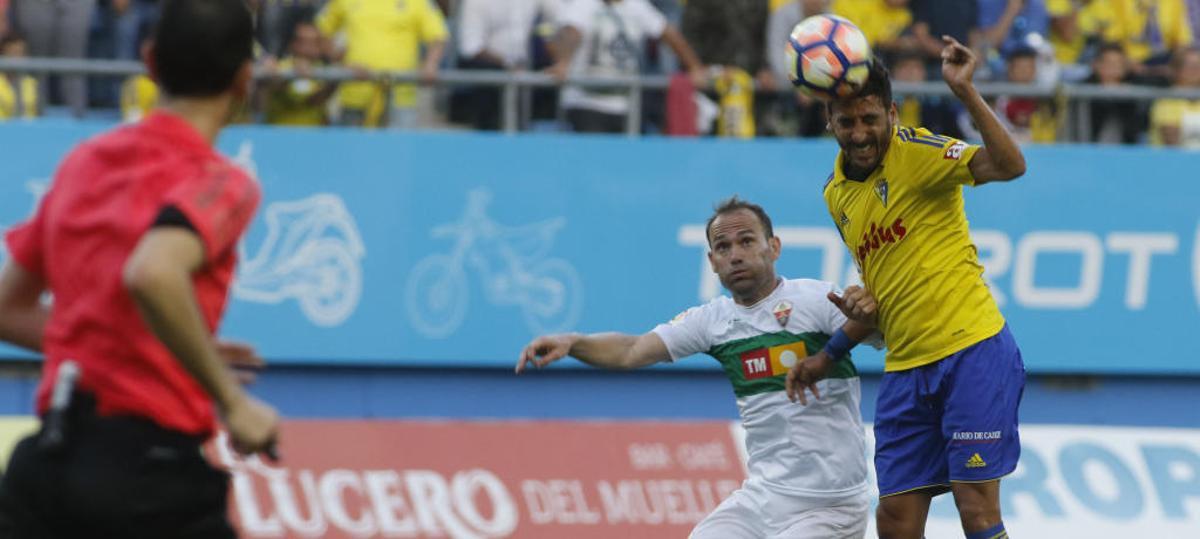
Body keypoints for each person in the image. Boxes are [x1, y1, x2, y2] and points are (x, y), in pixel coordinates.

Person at [0, 1, 280, 537]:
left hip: (45, 472)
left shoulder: (84, 161)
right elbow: (153, 272)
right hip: (150, 480)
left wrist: (167, 342)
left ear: (148, 61)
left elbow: (7, 308)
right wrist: (233, 400)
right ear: (245, 78)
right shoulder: (223, 182)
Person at [518, 196, 880, 539]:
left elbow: (878, 330)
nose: (735, 255)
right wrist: (573, 342)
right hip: (763, 497)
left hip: (830, 505)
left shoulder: (817, 299)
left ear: (774, 247)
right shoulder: (713, 322)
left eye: (747, 241)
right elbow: (631, 350)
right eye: (724, 248)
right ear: (712, 261)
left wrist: (869, 315)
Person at [821, 36, 1027, 538]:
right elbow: (883, 294)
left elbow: (1010, 166)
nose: (861, 132)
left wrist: (965, 92)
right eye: (847, 122)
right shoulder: (837, 196)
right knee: (893, 518)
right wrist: (834, 344)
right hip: (906, 370)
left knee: (975, 508)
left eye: (870, 118)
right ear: (830, 123)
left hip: (971, 350)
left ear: (891, 113)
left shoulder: (916, 151)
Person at [549, 0, 707, 133]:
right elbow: (571, 32)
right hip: (586, 103)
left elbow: (668, 33)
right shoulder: (584, 5)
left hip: (625, 104)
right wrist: (564, 62)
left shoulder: (637, 6)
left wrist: (694, 67)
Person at [315, 0, 448, 128]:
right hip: (355, 93)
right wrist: (339, 62)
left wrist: (431, 64)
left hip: (400, 96)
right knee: (352, 148)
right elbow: (319, 30)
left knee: (398, 149)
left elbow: (438, 36)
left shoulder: (417, 1)